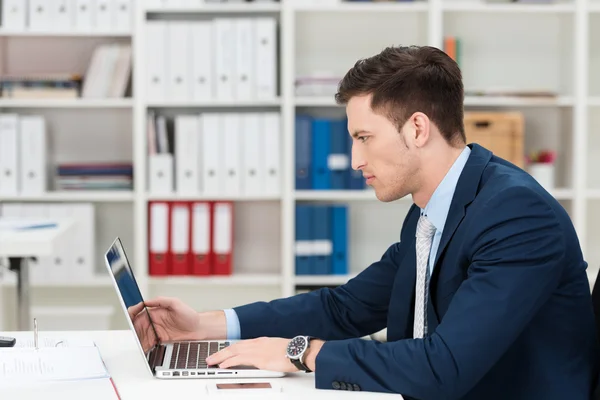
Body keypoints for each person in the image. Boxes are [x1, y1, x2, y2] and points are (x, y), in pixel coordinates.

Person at [129, 45, 600, 399]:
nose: (355, 160)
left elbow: (446, 366)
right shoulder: (434, 208)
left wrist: (298, 353)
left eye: (364, 137)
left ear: (417, 129)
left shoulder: (516, 214)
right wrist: (209, 325)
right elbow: (346, 308)